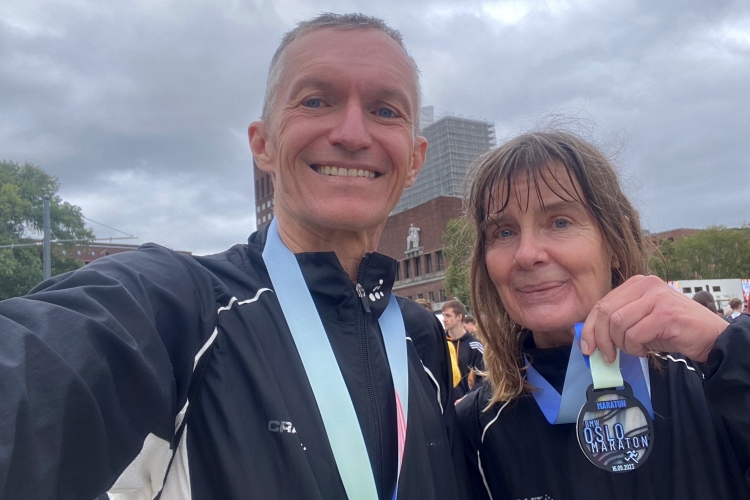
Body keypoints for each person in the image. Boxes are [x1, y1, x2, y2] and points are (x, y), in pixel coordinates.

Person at [0, 13, 468, 500]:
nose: (353, 134)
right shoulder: (179, 307)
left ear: (415, 160)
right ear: (262, 145)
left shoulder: (421, 336)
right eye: (315, 101)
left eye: (385, 111)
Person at [457, 130, 750, 499]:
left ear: (615, 240)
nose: (527, 254)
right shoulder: (475, 429)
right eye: (503, 232)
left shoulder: (711, 377)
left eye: (560, 222)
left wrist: (729, 349)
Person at [442, 300, 484, 399]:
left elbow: (483, 378)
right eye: (443, 316)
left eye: (448, 316)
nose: (444, 319)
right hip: (444, 403)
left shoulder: (475, 346)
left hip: (468, 402)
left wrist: (468, 398)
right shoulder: (440, 343)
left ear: (459, 317)